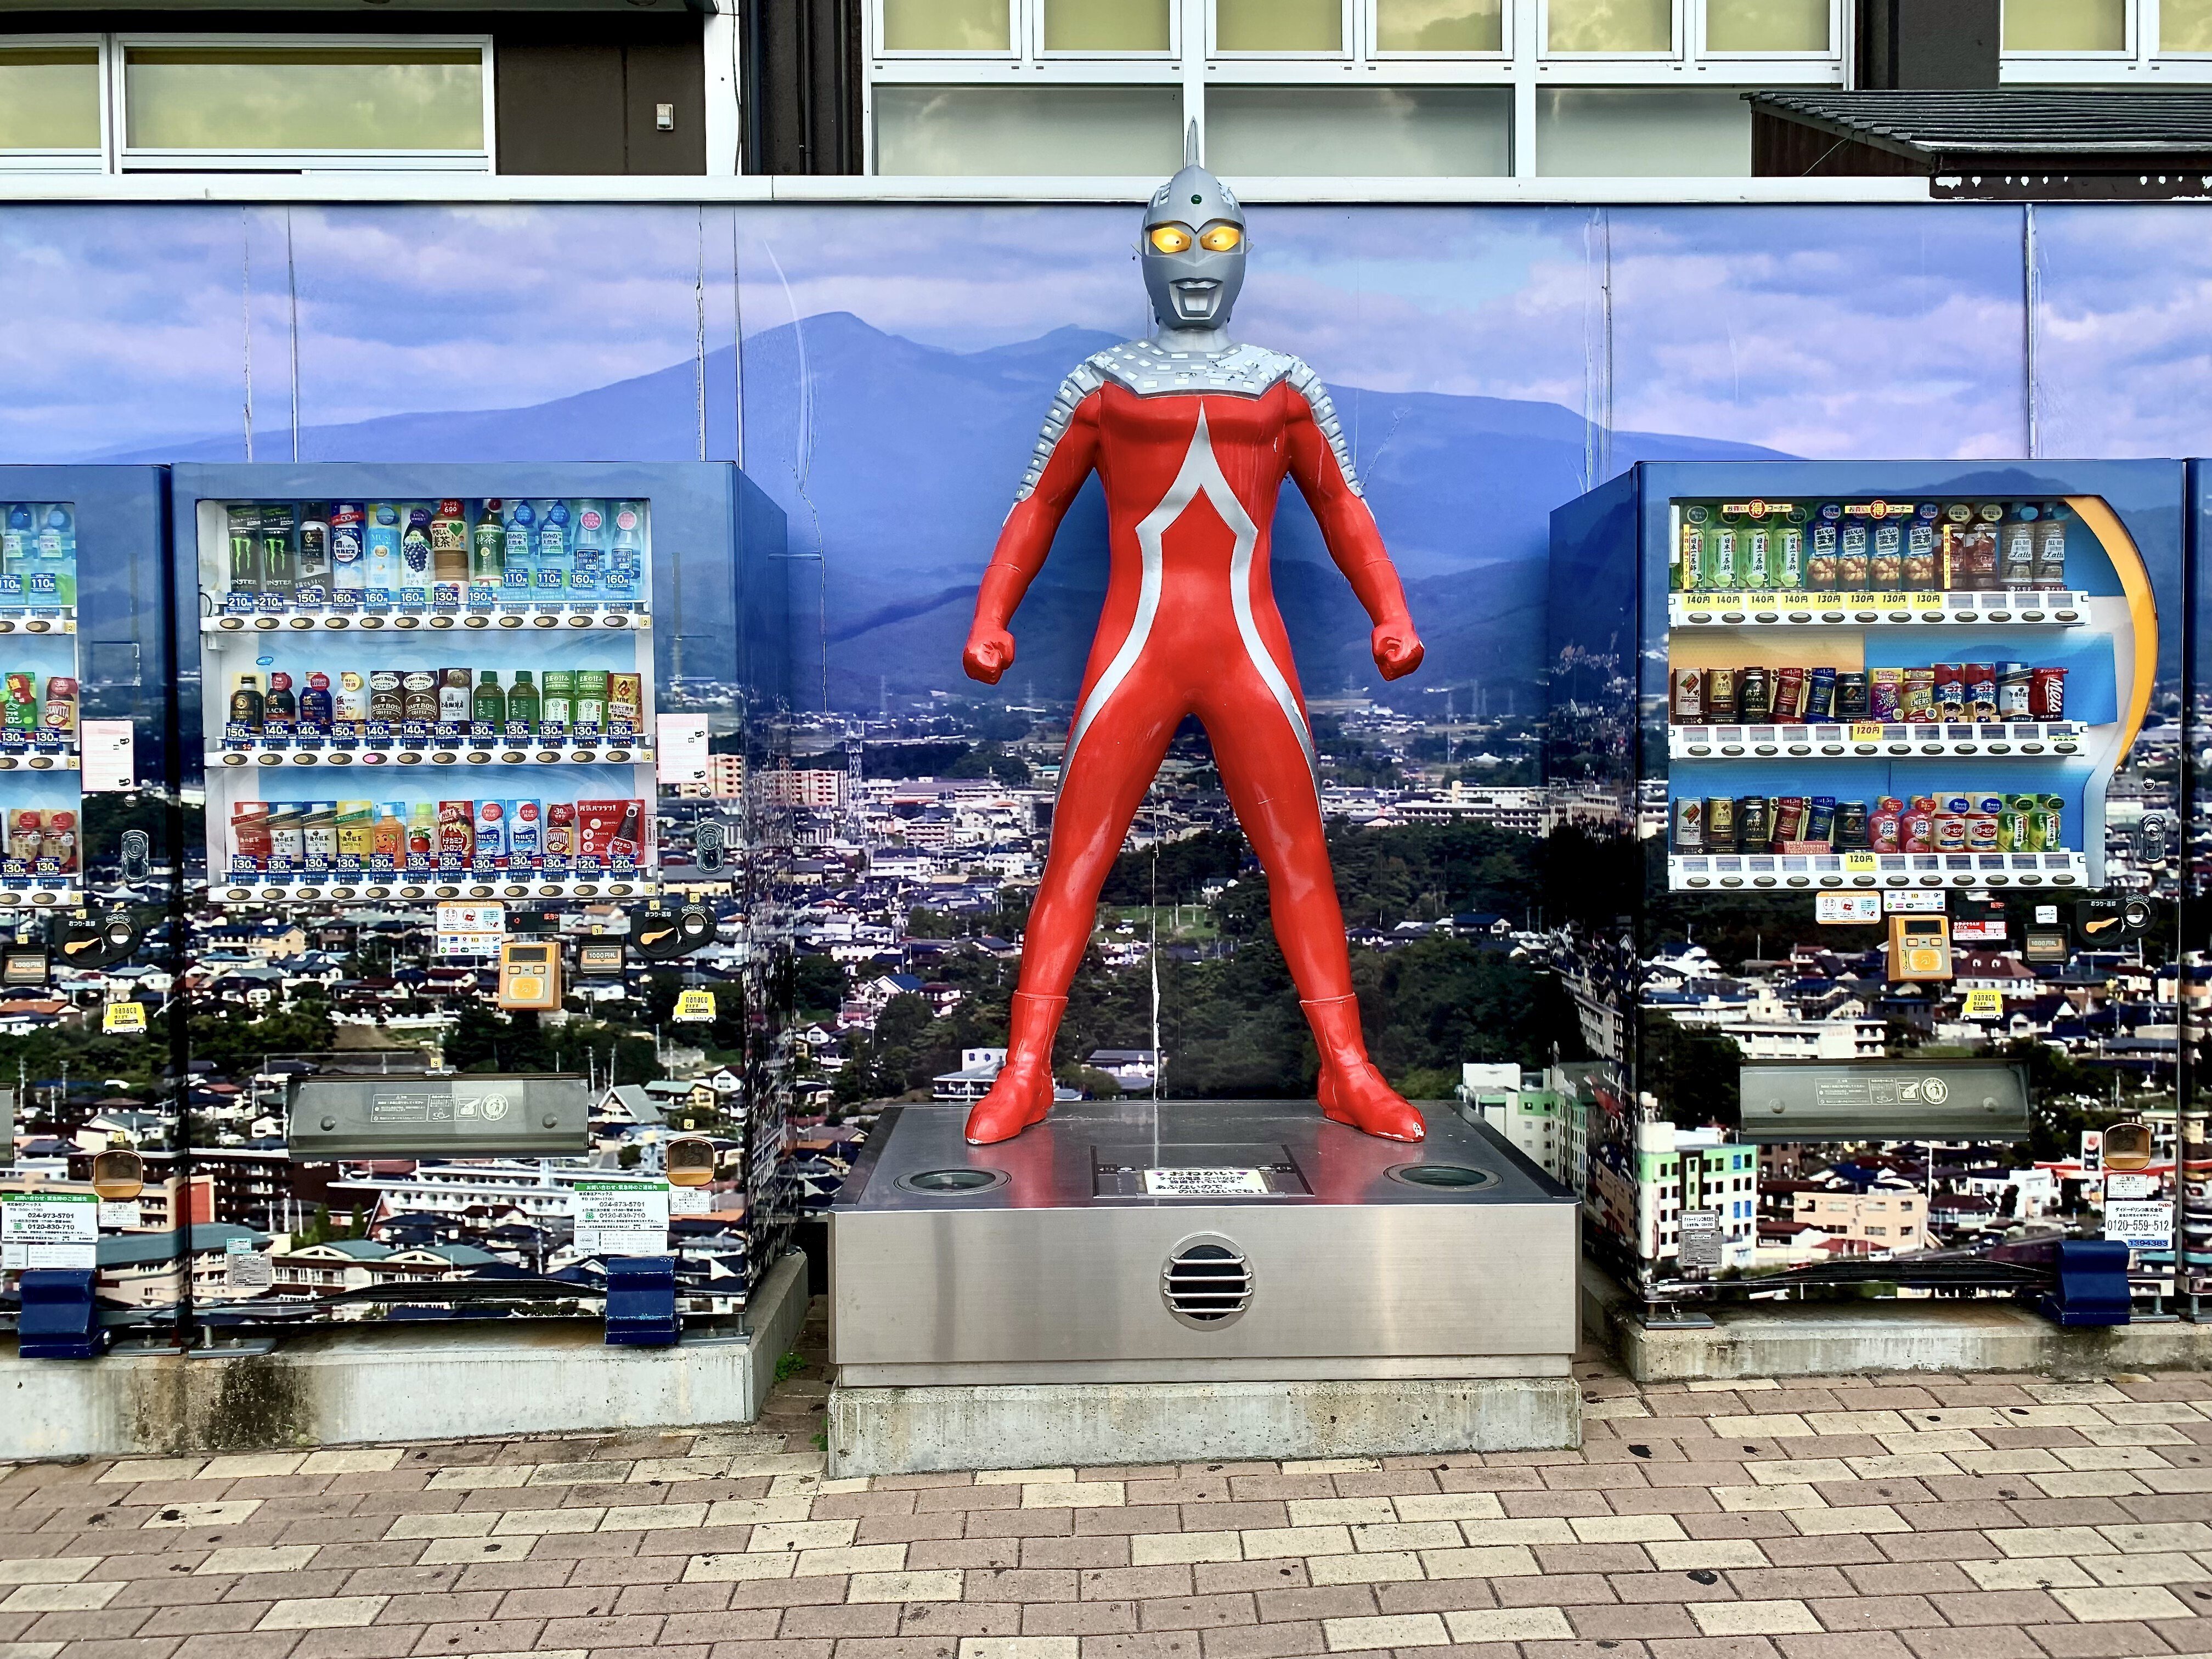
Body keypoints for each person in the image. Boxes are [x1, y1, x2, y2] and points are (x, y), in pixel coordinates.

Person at [961, 128, 1426, 1148]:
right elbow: (1034, 507)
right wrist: (990, 617)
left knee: (1298, 855)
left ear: (1243, 252)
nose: (1196, 256)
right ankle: (1027, 1069)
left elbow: (1344, 505)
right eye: (1174, 237)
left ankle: (1347, 1068)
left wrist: (1389, 612)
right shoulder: (1104, 382)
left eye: (1215, 236)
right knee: (1074, 858)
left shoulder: (1283, 382)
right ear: (1145, 255)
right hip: (1140, 648)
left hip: (1242, 649)